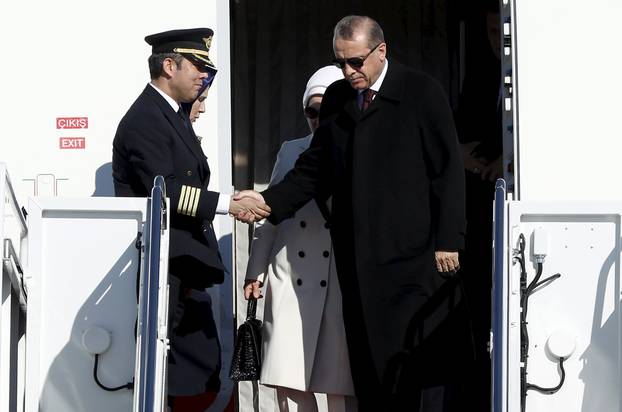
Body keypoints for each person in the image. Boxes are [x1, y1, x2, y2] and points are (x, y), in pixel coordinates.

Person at [238, 15, 469, 412]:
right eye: (342, 61)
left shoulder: (420, 92)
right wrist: (268, 202)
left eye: (357, 61)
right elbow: (315, 167)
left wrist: (449, 240)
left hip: (413, 259)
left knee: (419, 370)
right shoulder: (340, 99)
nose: (348, 71)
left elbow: (447, 172)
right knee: (368, 368)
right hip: (359, 262)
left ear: (381, 51)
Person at [111, 28, 269, 411]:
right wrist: (228, 204)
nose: (204, 77)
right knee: (182, 377)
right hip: (169, 271)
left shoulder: (171, 116)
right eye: (199, 67)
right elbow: (163, 192)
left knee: (199, 372)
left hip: (186, 268)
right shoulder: (146, 119)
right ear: (169, 65)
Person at [244, 66, 356, 412]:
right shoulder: (291, 150)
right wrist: (255, 270)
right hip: (290, 277)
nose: (317, 119)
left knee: (341, 387)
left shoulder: (359, 147)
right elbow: (270, 214)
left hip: (340, 279)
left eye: (326, 111)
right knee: (289, 382)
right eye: (311, 110)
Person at [454, 1, 503, 410]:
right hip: (477, 204)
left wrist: (511, 159)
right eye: (490, 34)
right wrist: (464, 155)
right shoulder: (480, 78)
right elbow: (455, 135)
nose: (497, 43)